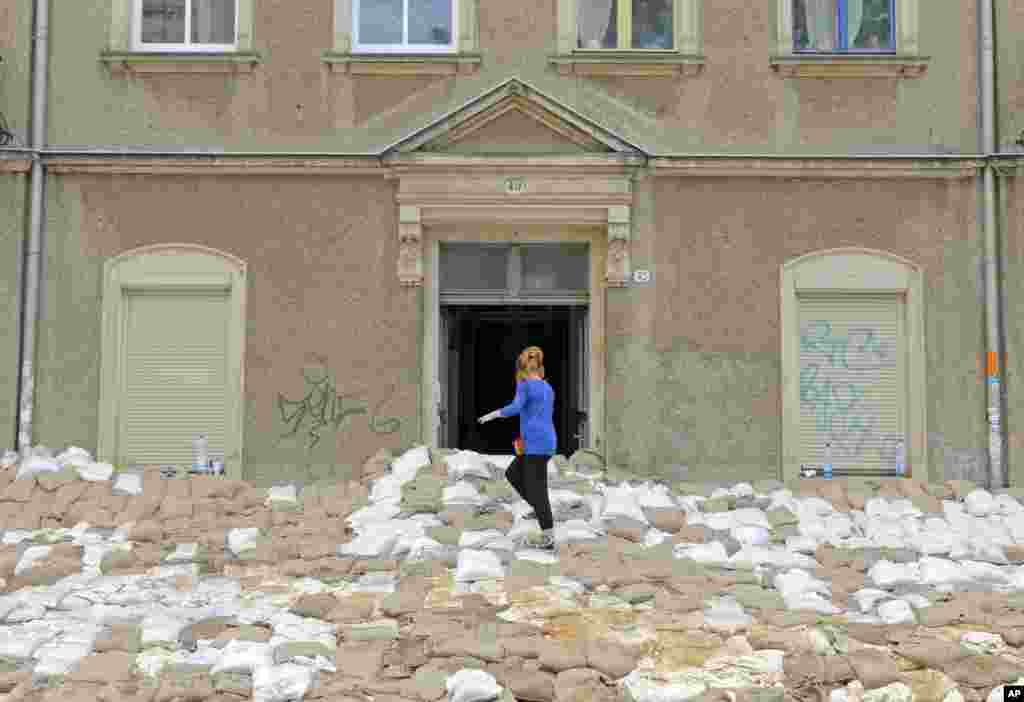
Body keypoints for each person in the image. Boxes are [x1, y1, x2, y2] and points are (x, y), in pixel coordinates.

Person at [478, 346, 557, 550]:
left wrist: (492, 415)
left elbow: (515, 407)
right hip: (545, 442)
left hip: (535, 444)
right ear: (539, 367)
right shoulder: (547, 387)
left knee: (537, 490)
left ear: (521, 369)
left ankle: (548, 535)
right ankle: (541, 510)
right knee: (513, 473)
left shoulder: (525, 385)